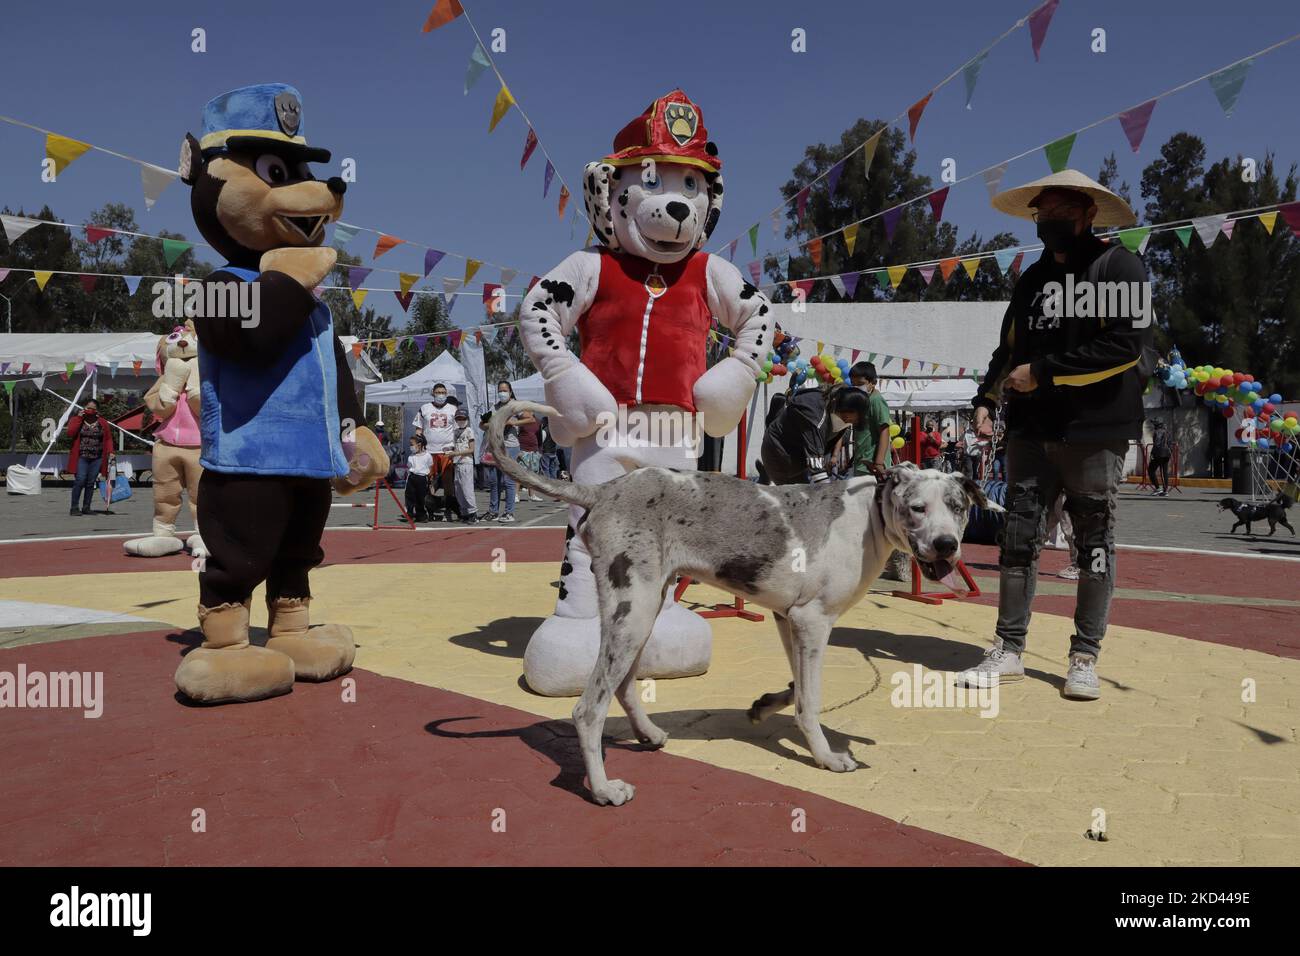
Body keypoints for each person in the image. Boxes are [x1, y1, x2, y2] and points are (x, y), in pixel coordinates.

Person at [959, 169, 1152, 701]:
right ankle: (1009, 649)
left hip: (1097, 430)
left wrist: (1043, 372)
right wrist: (987, 396)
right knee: (1018, 540)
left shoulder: (1122, 267)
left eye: (1062, 212)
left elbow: (1125, 348)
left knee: (1092, 546)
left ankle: (1084, 655)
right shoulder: (1031, 279)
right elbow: (1008, 350)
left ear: (1089, 214)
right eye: (1043, 214)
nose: (1051, 221)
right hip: (1030, 430)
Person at [760, 383, 869, 485]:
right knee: (793, 500)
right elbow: (816, 466)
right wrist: (830, 496)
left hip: (799, 460)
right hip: (778, 455)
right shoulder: (814, 416)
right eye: (846, 419)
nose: (848, 422)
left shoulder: (839, 413)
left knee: (805, 497)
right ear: (839, 405)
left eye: (851, 422)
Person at [411, 383, 458, 521]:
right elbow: (418, 430)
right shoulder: (424, 408)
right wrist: (418, 448)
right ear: (433, 393)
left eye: (443, 392)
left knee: (448, 481)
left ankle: (449, 509)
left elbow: (457, 430)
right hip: (429, 451)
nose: (440, 395)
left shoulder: (453, 409)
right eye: (438, 392)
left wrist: (456, 449)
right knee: (429, 481)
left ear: (447, 393)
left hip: (447, 450)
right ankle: (429, 508)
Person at [485, 382, 526, 522]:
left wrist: (513, 423)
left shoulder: (515, 405)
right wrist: (492, 424)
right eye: (500, 390)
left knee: (508, 480)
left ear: (510, 391)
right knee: (494, 480)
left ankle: (509, 512)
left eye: (505, 390)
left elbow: (530, 419)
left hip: (511, 446)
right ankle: (493, 511)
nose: (502, 393)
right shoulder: (495, 407)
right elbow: (482, 423)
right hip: (496, 446)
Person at [66, 399, 114, 516]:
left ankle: (86, 507)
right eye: (88, 408)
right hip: (81, 456)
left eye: (92, 409)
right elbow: (70, 433)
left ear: (97, 410)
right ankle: (74, 507)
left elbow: (108, 439)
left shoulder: (102, 422)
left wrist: (111, 451)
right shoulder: (77, 420)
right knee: (80, 480)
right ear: (83, 408)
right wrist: (78, 418)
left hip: (97, 457)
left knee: (91, 482)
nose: (89, 410)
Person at [848, 362, 894, 478]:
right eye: (853, 384)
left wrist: (879, 462)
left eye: (861, 384)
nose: (856, 387)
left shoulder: (876, 400)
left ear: (873, 382)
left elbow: (884, 431)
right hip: (861, 463)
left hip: (872, 466)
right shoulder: (862, 402)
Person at [450, 406, 478, 524]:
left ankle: (473, 512)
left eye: (463, 418)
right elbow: (453, 446)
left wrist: (457, 453)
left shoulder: (469, 431)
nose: (461, 420)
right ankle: (464, 512)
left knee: (467, 488)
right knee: (458, 489)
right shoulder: (455, 431)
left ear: (467, 419)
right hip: (457, 463)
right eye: (458, 418)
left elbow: (471, 449)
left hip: (466, 462)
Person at [516, 406, 543, 502]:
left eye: (527, 410)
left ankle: (532, 494)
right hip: (523, 450)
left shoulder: (538, 421)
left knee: (532, 474)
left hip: (534, 451)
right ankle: (516, 495)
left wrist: (540, 450)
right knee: (519, 473)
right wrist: (517, 450)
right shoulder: (520, 421)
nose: (524, 412)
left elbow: (539, 436)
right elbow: (516, 434)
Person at [404, 433, 432, 522]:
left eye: (412, 445)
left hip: (422, 478)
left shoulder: (427, 456)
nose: (410, 447)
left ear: (419, 445)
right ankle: (410, 514)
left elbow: (430, 467)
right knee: (410, 496)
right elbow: (409, 467)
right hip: (412, 477)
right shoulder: (411, 457)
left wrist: (429, 479)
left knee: (421, 497)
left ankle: (421, 515)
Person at [1148, 420, 1172, 496]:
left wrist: (1152, 453)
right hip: (1166, 454)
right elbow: (1170, 444)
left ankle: (1160, 489)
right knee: (1164, 472)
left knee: (1151, 470)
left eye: (1154, 424)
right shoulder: (1167, 432)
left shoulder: (1157, 432)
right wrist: (1169, 453)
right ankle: (1164, 490)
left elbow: (1157, 444)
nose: (1153, 425)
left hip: (1159, 453)